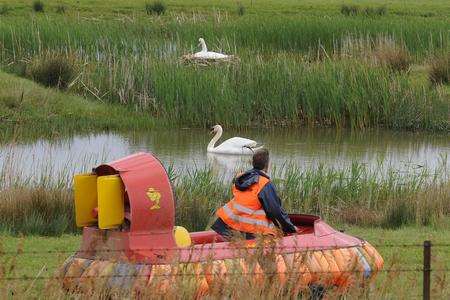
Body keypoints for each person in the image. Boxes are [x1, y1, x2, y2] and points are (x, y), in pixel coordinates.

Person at [211, 148, 297, 240]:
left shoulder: (241, 178)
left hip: (227, 226)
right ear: (267, 165)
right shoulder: (264, 183)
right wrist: (290, 228)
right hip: (250, 232)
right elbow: (275, 212)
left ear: (253, 163)